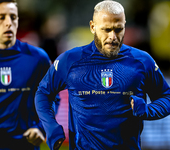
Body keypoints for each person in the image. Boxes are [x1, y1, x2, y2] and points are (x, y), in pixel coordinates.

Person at [35, 0, 170, 149]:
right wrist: (51, 127)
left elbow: (166, 96)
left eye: (118, 29)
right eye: (106, 29)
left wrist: (149, 110)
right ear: (93, 27)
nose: (113, 36)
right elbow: (43, 92)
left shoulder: (142, 61)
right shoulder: (70, 60)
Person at [0, 0, 59, 149]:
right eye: (1, 17)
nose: (8, 23)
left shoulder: (38, 58)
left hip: (24, 145)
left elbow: (51, 98)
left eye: (13, 17)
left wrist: (41, 128)